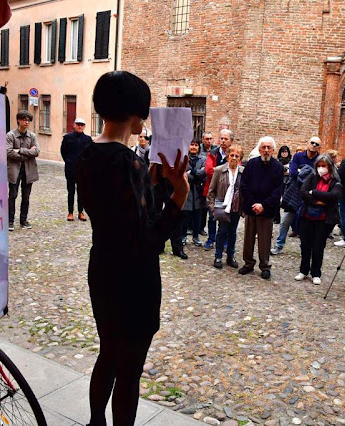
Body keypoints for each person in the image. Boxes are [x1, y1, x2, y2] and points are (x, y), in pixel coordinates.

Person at [76, 71, 189, 426]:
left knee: (107, 354)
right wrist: (180, 196)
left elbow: (118, 213)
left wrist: (150, 183)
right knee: (129, 372)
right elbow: (148, 242)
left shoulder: (87, 153)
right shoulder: (130, 162)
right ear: (135, 113)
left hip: (104, 268)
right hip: (134, 280)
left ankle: (96, 422)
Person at [238, 136, 284, 279]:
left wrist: (264, 205)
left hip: (267, 209)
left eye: (268, 148)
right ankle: (248, 263)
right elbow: (243, 185)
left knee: (264, 239)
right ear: (259, 149)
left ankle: (265, 265)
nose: (265, 150)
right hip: (251, 207)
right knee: (248, 238)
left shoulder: (278, 167)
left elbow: (278, 190)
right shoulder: (251, 164)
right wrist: (254, 204)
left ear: (273, 150)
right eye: (263, 147)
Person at [294, 154, 342, 285]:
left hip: (323, 219)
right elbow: (303, 192)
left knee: (318, 246)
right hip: (307, 216)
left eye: (324, 166)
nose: (321, 168)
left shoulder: (335, 180)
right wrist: (318, 201)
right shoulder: (312, 177)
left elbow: (334, 196)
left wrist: (314, 192)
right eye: (319, 166)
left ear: (329, 167)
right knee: (305, 244)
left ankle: (316, 272)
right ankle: (303, 270)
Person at [270, 137, 320, 255]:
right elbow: (292, 173)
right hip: (295, 193)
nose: (313, 145)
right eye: (312, 142)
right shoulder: (298, 156)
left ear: (319, 147)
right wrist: (307, 173)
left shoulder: (319, 159)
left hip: (309, 195)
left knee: (308, 224)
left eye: (316, 144)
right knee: (285, 221)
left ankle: (308, 250)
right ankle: (279, 245)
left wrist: (301, 172)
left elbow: (317, 178)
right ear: (307, 143)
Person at [208, 145, 244, 269]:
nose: (234, 158)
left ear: (240, 158)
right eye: (232, 155)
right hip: (221, 205)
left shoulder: (242, 172)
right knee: (222, 231)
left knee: (232, 232)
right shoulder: (219, 170)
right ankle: (218, 256)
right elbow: (211, 191)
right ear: (227, 156)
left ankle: (230, 256)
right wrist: (212, 208)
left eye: (237, 156)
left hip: (236, 207)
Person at [7, 109, 40, 231]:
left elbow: (36, 151)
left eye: (28, 120)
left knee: (26, 197)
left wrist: (20, 150)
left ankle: (23, 220)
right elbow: (9, 152)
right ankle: (10, 221)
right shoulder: (10, 135)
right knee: (13, 195)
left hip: (28, 170)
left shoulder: (32, 136)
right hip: (14, 170)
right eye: (24, 120)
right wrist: (28, 154)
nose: (26, 122)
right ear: (18, 120)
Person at [202, 129, 233, 250]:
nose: (223, 141)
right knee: (212, 215)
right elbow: (209, 171)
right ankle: (211, 239)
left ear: (231, 141)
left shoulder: (233, 153)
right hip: (213, 189)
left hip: (227, 190)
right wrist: (224, 170)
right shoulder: (213, 152)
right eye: (221, 138)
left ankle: (224, 240)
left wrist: (218, 170)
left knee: (225, 217)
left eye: (226, 139)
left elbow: (234, 170)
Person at [60, 117, 92, 222]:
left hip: (83, 169)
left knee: (81, 192)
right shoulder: (68, 138)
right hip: (71, 168)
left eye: (82, 125)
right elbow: (63, 152)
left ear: (84, 127)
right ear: (74, 125)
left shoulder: (87, 139)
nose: (80, 126)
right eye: (78, 124)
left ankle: (80, 212)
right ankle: (70, 212)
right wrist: (69, 161)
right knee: (71, 191)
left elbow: (90, 154)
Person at [182, 140, 207, 247]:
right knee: (185, 216)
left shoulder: (203, 159)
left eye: (196, 145)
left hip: (198, 191)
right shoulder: (183, 159)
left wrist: (191, 172)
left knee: (197, 216)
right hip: (186, 190)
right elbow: (183, 174)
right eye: (191, 144)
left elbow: (203, 173)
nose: (193, 147)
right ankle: (183, 236)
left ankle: (196, 237)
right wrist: (195, 173)